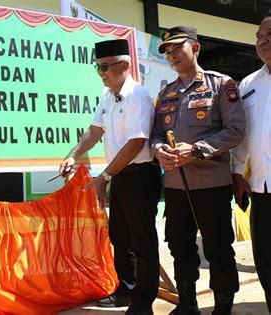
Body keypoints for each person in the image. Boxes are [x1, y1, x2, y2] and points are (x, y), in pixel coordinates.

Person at [59, 39, 161, 314]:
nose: (101, 73)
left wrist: (104, 176)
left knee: (142, 240)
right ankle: (126, 289)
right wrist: (73, 154)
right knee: (120, 236)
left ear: (125, 65)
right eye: (98, 68)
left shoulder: (137, 95)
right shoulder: (107, 96)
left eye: (105, 67)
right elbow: (94, 131)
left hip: (139, 174)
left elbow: (135, 143)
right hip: (120, 174)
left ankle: (144, 302)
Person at [151, 26, 245, 315]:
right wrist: (158, 151)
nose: (171, 55)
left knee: (218, 249)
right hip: (176, 187)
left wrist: (196, 149)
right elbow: (155, 135)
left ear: (195, 48)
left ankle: (223, 306)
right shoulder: (166, 93)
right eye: (166, 51)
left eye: (177, 48)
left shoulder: (221, 85)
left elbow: (236, 131)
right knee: (180, 247)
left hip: (211, 185)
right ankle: (188, 304)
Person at [231, 11, 271, 313]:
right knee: (266, 262)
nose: (263, 42)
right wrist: (236, 174)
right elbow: (242, 135)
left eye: (269, 36)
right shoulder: (248, 83)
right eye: (259, 38)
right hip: (261, 188)